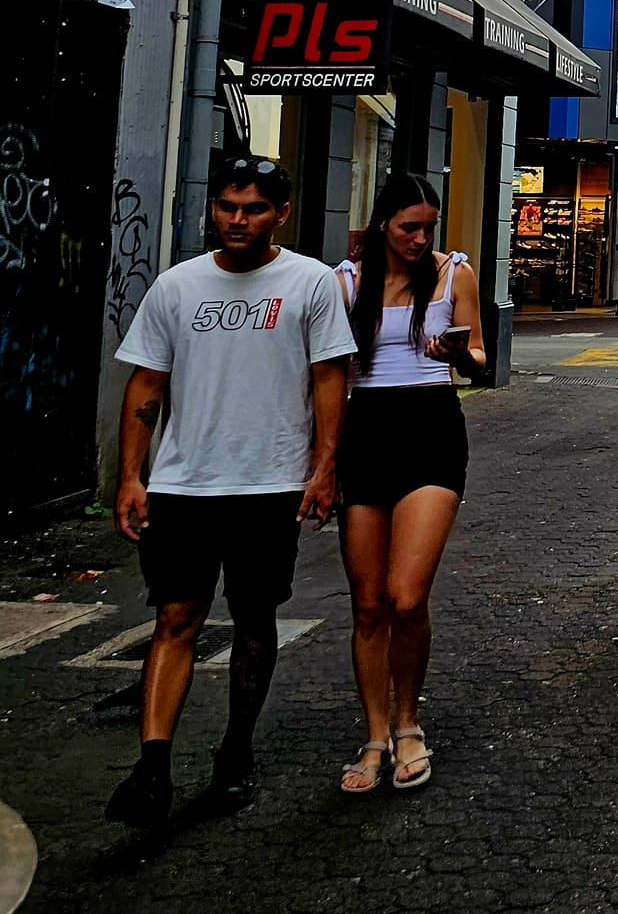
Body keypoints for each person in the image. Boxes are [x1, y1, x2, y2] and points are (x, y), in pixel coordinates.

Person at [106, 155, 354, 825]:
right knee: (175, 617)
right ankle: (151, 767)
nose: (236, 220)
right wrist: (131, 475)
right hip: (183, 485)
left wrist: (324, 468)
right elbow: (146, 383)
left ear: (281, 213)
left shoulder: (310, 282)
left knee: (253, 618)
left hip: (269, 483)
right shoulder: (177, 286)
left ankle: (236, 748)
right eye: (226, 206)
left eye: (252, 209)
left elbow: (330, 378)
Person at [334, 173, 485, 796]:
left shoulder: (455, 275)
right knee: (368, 604)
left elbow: (480, 358)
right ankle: (376, 735)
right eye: (408, 228)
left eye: (429, 227)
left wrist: (457, 354)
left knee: (405, 595)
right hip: (365, 432)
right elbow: (328, 373)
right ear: (382, 225)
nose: (421, 239)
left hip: (431, 431)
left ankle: (408, 721)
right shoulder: (346, 282)